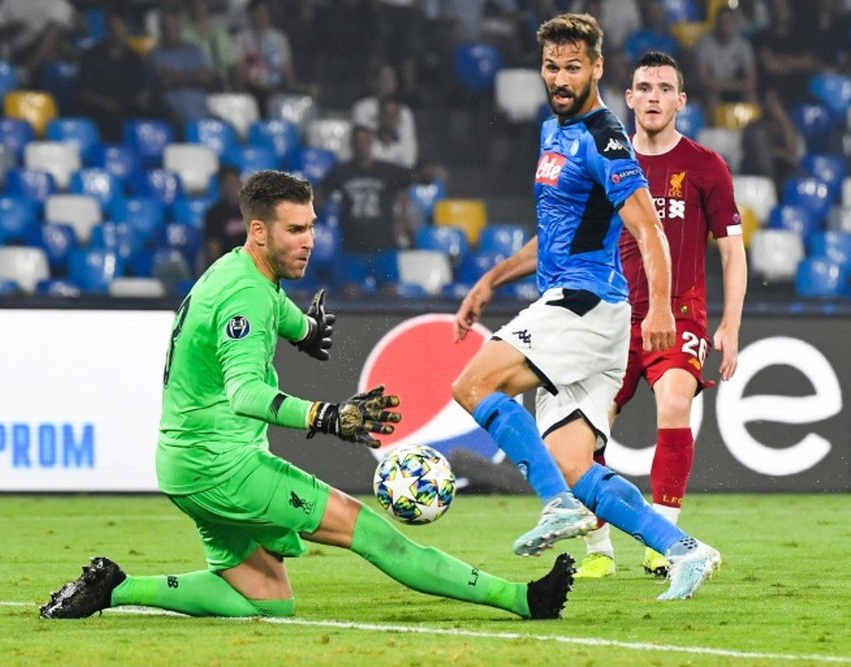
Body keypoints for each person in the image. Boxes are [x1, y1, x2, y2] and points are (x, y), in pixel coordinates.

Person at [39, 169, 575, 621]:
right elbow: (246, 393)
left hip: (184, 466)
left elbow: (278, 311)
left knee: (269, 601)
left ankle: (115, 587)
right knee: (375, 536)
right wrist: (328, 415)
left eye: (312, 227)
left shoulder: (239, 271)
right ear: (258, 231)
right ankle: (524, 599)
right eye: (295, 230)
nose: (309, 240)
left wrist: (305, 330)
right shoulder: (244, 295)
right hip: (226, 467)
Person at [451, 13, 720, 601]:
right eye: (552, 67)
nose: (561, 78)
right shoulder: (553, 132)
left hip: (587, 303)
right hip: (573, 304)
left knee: (473, 385)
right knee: (575, 464)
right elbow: (551, 233)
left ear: (597, 67)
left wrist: (660, 313)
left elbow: (647, 229)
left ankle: (555, 506)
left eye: (574, 67)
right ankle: (685, 550)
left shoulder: (605, 138)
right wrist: (490, 280)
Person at [574, 51, 747, 579]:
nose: (653, 96)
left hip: (680, 317)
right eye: (643, 87)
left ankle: (662, 542)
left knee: (674, 400)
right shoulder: (604, 161)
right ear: (628, 98)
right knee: (584, 431)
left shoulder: (705, 166)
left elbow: (732, 251)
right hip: (611, 316)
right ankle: (599, 549)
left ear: (680, 100)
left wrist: (730, 325)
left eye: (664, 88)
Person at [318, 125, 414, 296]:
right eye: (358, 142)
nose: (362, 146)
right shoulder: (342, 171)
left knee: (391, 291)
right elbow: (320, 194)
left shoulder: (387, 170)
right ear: (352, 145)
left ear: (371, 143)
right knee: (349, 292)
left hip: (384, 244)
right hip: (353, 246)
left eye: (365, 141)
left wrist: (403, 216)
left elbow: (404, 185)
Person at [77, 8, 157, 143]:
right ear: (107, 28)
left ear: (127, 28)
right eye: (112, 26)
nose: (116, 31)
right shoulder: (92, 57)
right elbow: (84, 94)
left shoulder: (135, 59)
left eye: (120, 26)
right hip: (98, 114)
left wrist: (140, 99)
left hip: (129, 114)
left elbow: (142, 94)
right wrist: (107, 104)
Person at [202, 165, 249, 270]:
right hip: (226, 267)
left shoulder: (251, 211)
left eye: (235, 183)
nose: (232, 187)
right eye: (228, 184)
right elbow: (213, 251)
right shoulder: (213, 215)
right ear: (221, 187)